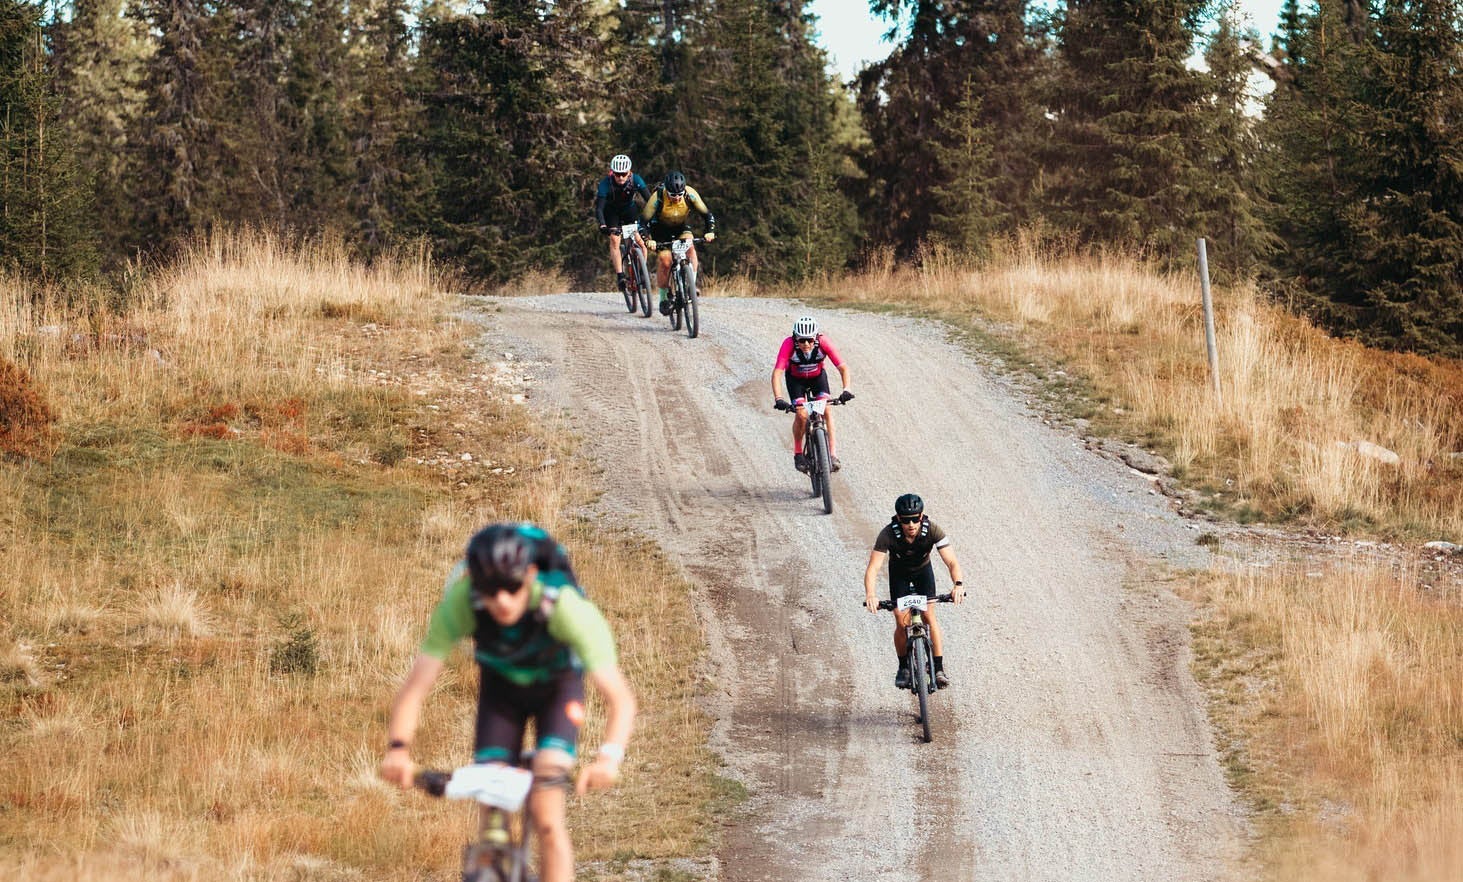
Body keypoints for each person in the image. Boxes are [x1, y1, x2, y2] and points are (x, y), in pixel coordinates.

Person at [380, 522, 637, 882]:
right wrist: (398, 748)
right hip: (501, 692)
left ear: (530, 575)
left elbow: (620, 699)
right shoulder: (461, 602)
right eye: (489, 589)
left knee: (548, 817)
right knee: (492, 816)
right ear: (474, 584)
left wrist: (608, 759)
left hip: (556, 689)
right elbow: (416, 687)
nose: (502, 599)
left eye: (513, 587)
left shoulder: (565, 608)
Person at [863, 494, 965, 689]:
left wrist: (958, 584)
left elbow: (952, 561)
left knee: (929, 615)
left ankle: (938, 668)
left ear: (922, 516)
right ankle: (903, 668)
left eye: (915, 518)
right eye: (905, 519)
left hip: (922, 572)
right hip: (899, 574)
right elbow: (873, 568)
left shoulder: (932, 530)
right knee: (901, 620)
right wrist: (871, 594)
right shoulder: (888, 534)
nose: (911, 524)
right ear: (898, 518)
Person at [771, 316, 852, 473]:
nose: (806, 344)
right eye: (801, 340)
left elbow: (843, 368)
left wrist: (846, 389)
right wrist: (779, 398)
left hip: (817, 378)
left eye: (809, 340)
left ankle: (832, 454)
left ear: (815, 338)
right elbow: (777, 373)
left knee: (827, 409)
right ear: (795, 338)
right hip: (796, 381)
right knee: (801, 414)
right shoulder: (788, 345)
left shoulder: (823, 343)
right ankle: (798, 453)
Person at [640, 170, 716, 316]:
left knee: (690, 248)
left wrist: (710, 231)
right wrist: (648, 240)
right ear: (666, 191)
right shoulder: (658, 196)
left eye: (679, 195)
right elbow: (642, 222)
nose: (676, 198)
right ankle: (663, 298)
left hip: (681, 226)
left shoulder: (690, 193)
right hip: (660, 230)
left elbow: (707, 215)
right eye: (672, 195)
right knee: (666, 261)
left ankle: (690, 287)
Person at [594, 154, 651, 296]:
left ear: (629, 172)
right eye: (617, 174)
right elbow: (599, 208)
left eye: (623, 174)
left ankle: (641, 272)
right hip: (611, 212)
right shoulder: (605, 184)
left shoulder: (636, 179)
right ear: (612, 172)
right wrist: (602, 225)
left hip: (629, 211)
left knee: (641, 243)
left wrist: (650, 219)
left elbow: (650, 201)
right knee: (614, 240)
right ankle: (620, 276)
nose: (620, 178)